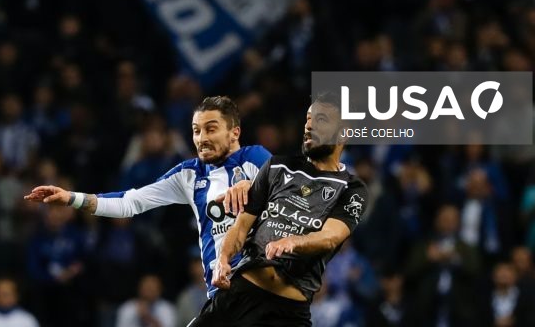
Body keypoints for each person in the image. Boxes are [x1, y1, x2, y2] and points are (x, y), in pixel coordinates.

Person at [24, 96, 272, 295]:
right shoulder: (189, 175)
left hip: (260, 285)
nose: (202, 139)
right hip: (221, 291)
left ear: (235, 133)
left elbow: (295, 186)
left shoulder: (253, 158)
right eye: (196, 131)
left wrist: (253, 185)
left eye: (211, 129)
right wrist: (71, 198)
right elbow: (130, 203)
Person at [192, 92, 368, 326]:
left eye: (322, 120)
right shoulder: (278, 166)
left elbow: (330, 237)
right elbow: (241, 226)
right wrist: (223, 259)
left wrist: (293, 242)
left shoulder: (352, 188)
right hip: (239, 295)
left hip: (287, 312)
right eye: (308, 120)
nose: (309, 127)